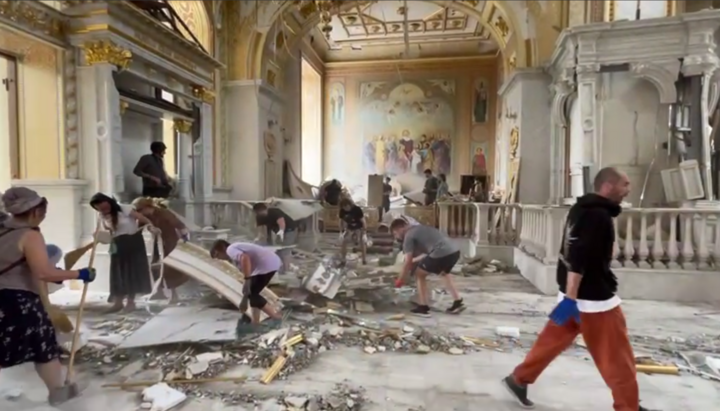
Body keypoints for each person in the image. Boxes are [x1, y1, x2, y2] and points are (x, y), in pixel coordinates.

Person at [502, 168, 653, 411]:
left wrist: (568, 298)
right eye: (624, 184)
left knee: (550, 342)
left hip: (572, 295)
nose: (628, 189)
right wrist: (572, 300)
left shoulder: (580, 209)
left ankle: (518, 379)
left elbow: (573, 250)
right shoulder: (598, 217)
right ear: (607, 186)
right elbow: (577, 257)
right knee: (617, 357)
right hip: (593, 302)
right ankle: (628, 406)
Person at [0, 187, 96, 405]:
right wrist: (79, 273)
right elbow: (43, 272)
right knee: (44, 348)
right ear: (34, 211)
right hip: (19, 302)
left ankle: (59, 391)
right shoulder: (29, 235)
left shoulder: (2, 230)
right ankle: (59, 393)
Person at [90, 193, 156, 313]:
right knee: (118, 274)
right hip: (117, 244)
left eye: (105, 207)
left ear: (109, 202)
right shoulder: (102, 216)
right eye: (100, 208)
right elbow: (109, 231)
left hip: (133, 242)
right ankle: (118, 302)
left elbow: (143, 219)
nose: (103, 210)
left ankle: (131, 303)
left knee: (131, 273)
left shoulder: (124, 208)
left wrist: (151, 227)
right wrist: (100, 236)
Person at [390, 218, 464, 317]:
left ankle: (423, 307)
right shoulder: (421, 229)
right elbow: (426, 254)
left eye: (395, 233)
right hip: (454, 251)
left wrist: (400, 280)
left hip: (441, 252)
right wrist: (413, 261)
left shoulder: (408, 236)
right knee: (444, 273)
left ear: (401, 228)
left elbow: (407, 262)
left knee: (419, 274)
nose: (396, 236)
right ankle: (457, 301)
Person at [210, 240, 283, 324]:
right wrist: (246, 287)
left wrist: (247, 279)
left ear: (221, 249)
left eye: (217, 255)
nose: (219, 259)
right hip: (269, 263)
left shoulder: (230, 249)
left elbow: (245, 258)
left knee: (252, 294)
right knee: (252, 293)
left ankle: (276, 317)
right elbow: (247, 266)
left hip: (267, 264)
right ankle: (255, 322)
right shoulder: (236, 249)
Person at [133, 197, 190, 304]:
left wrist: (184, 238)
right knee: (155, 265)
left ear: (147, 207)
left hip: (170, 242)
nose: (140, 213)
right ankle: (159, 291)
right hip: (156, 242)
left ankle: (174, 295)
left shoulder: (163, 213)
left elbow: (179, 225)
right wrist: (150, 229)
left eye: (141, 210)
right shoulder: (146, 216)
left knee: (170, 268)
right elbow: (139, 226)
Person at [252, 203, 297, 273]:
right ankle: (279, 269)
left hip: (289, 229)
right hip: (276, 231)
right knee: (278, 250)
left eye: (262, 211)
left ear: (266, 209)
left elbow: (281, 222)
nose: (261, 214)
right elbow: (260, 229)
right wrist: (258, 237)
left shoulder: (274, 212)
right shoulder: (259, 217)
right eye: (258, 213)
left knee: (285, 250)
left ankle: (286, 270)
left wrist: (281, 230)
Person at [338, 198, 367, 265]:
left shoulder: (357, 210)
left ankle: (364, 260)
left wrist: (364, 233)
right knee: (344, 241)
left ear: (350, 205)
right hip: (349, 228)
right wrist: (340, 232)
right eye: (344, 207)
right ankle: (343, 260)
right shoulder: (342, 211)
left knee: (362, 242)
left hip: (359, 228)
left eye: (347, 207)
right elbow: (340, 222)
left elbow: (364, 222)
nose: (346, 209)